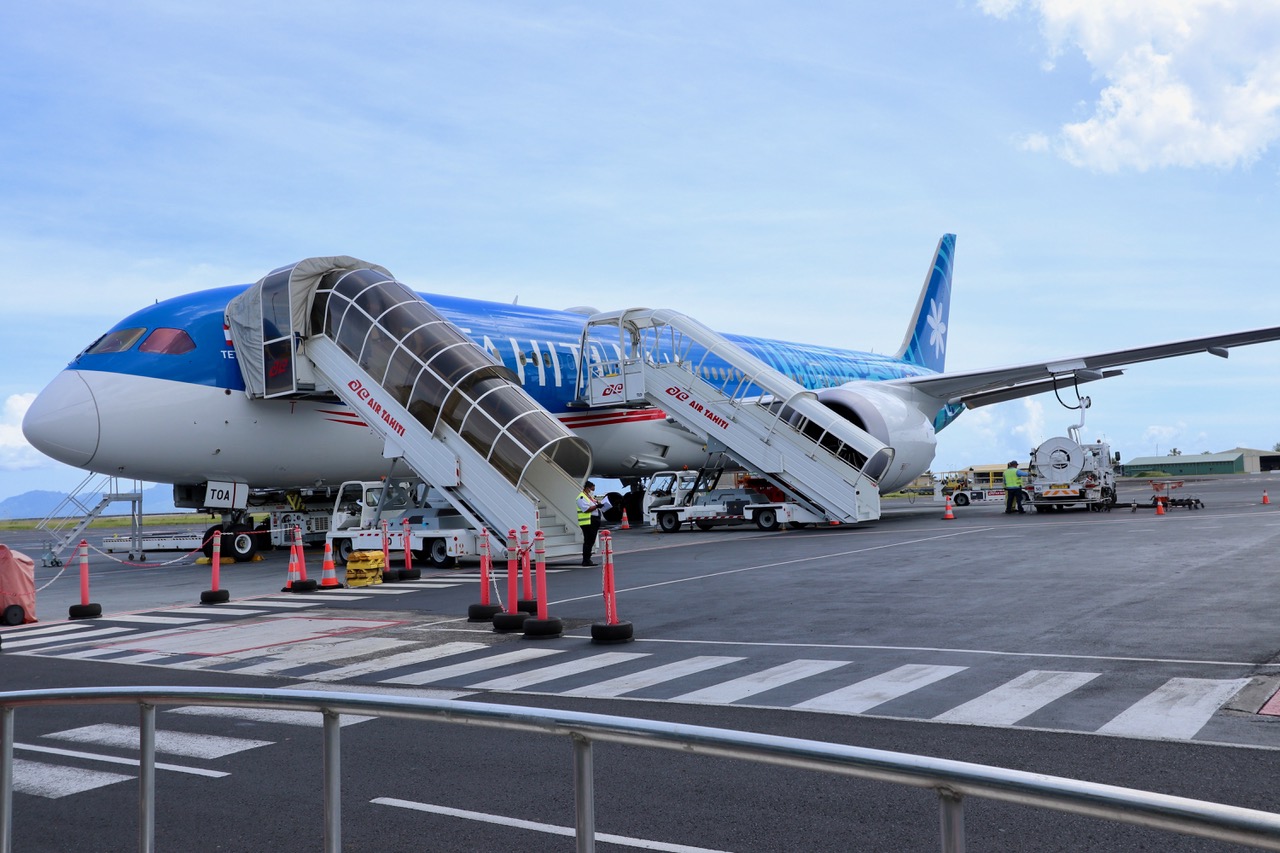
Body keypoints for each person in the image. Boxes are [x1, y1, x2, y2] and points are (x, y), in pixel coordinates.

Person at [577, 480, 604, 566]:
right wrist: (596, 506)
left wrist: (598, 504)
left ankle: (588, 559)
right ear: (587, 488)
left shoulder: (589, 497)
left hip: (593, 521)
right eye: (592, 489)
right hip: (588, 522)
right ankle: (586, 560)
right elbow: (586, 509)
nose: (592, 491)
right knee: (588, 541)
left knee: (591, 541)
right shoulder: (581, 498)